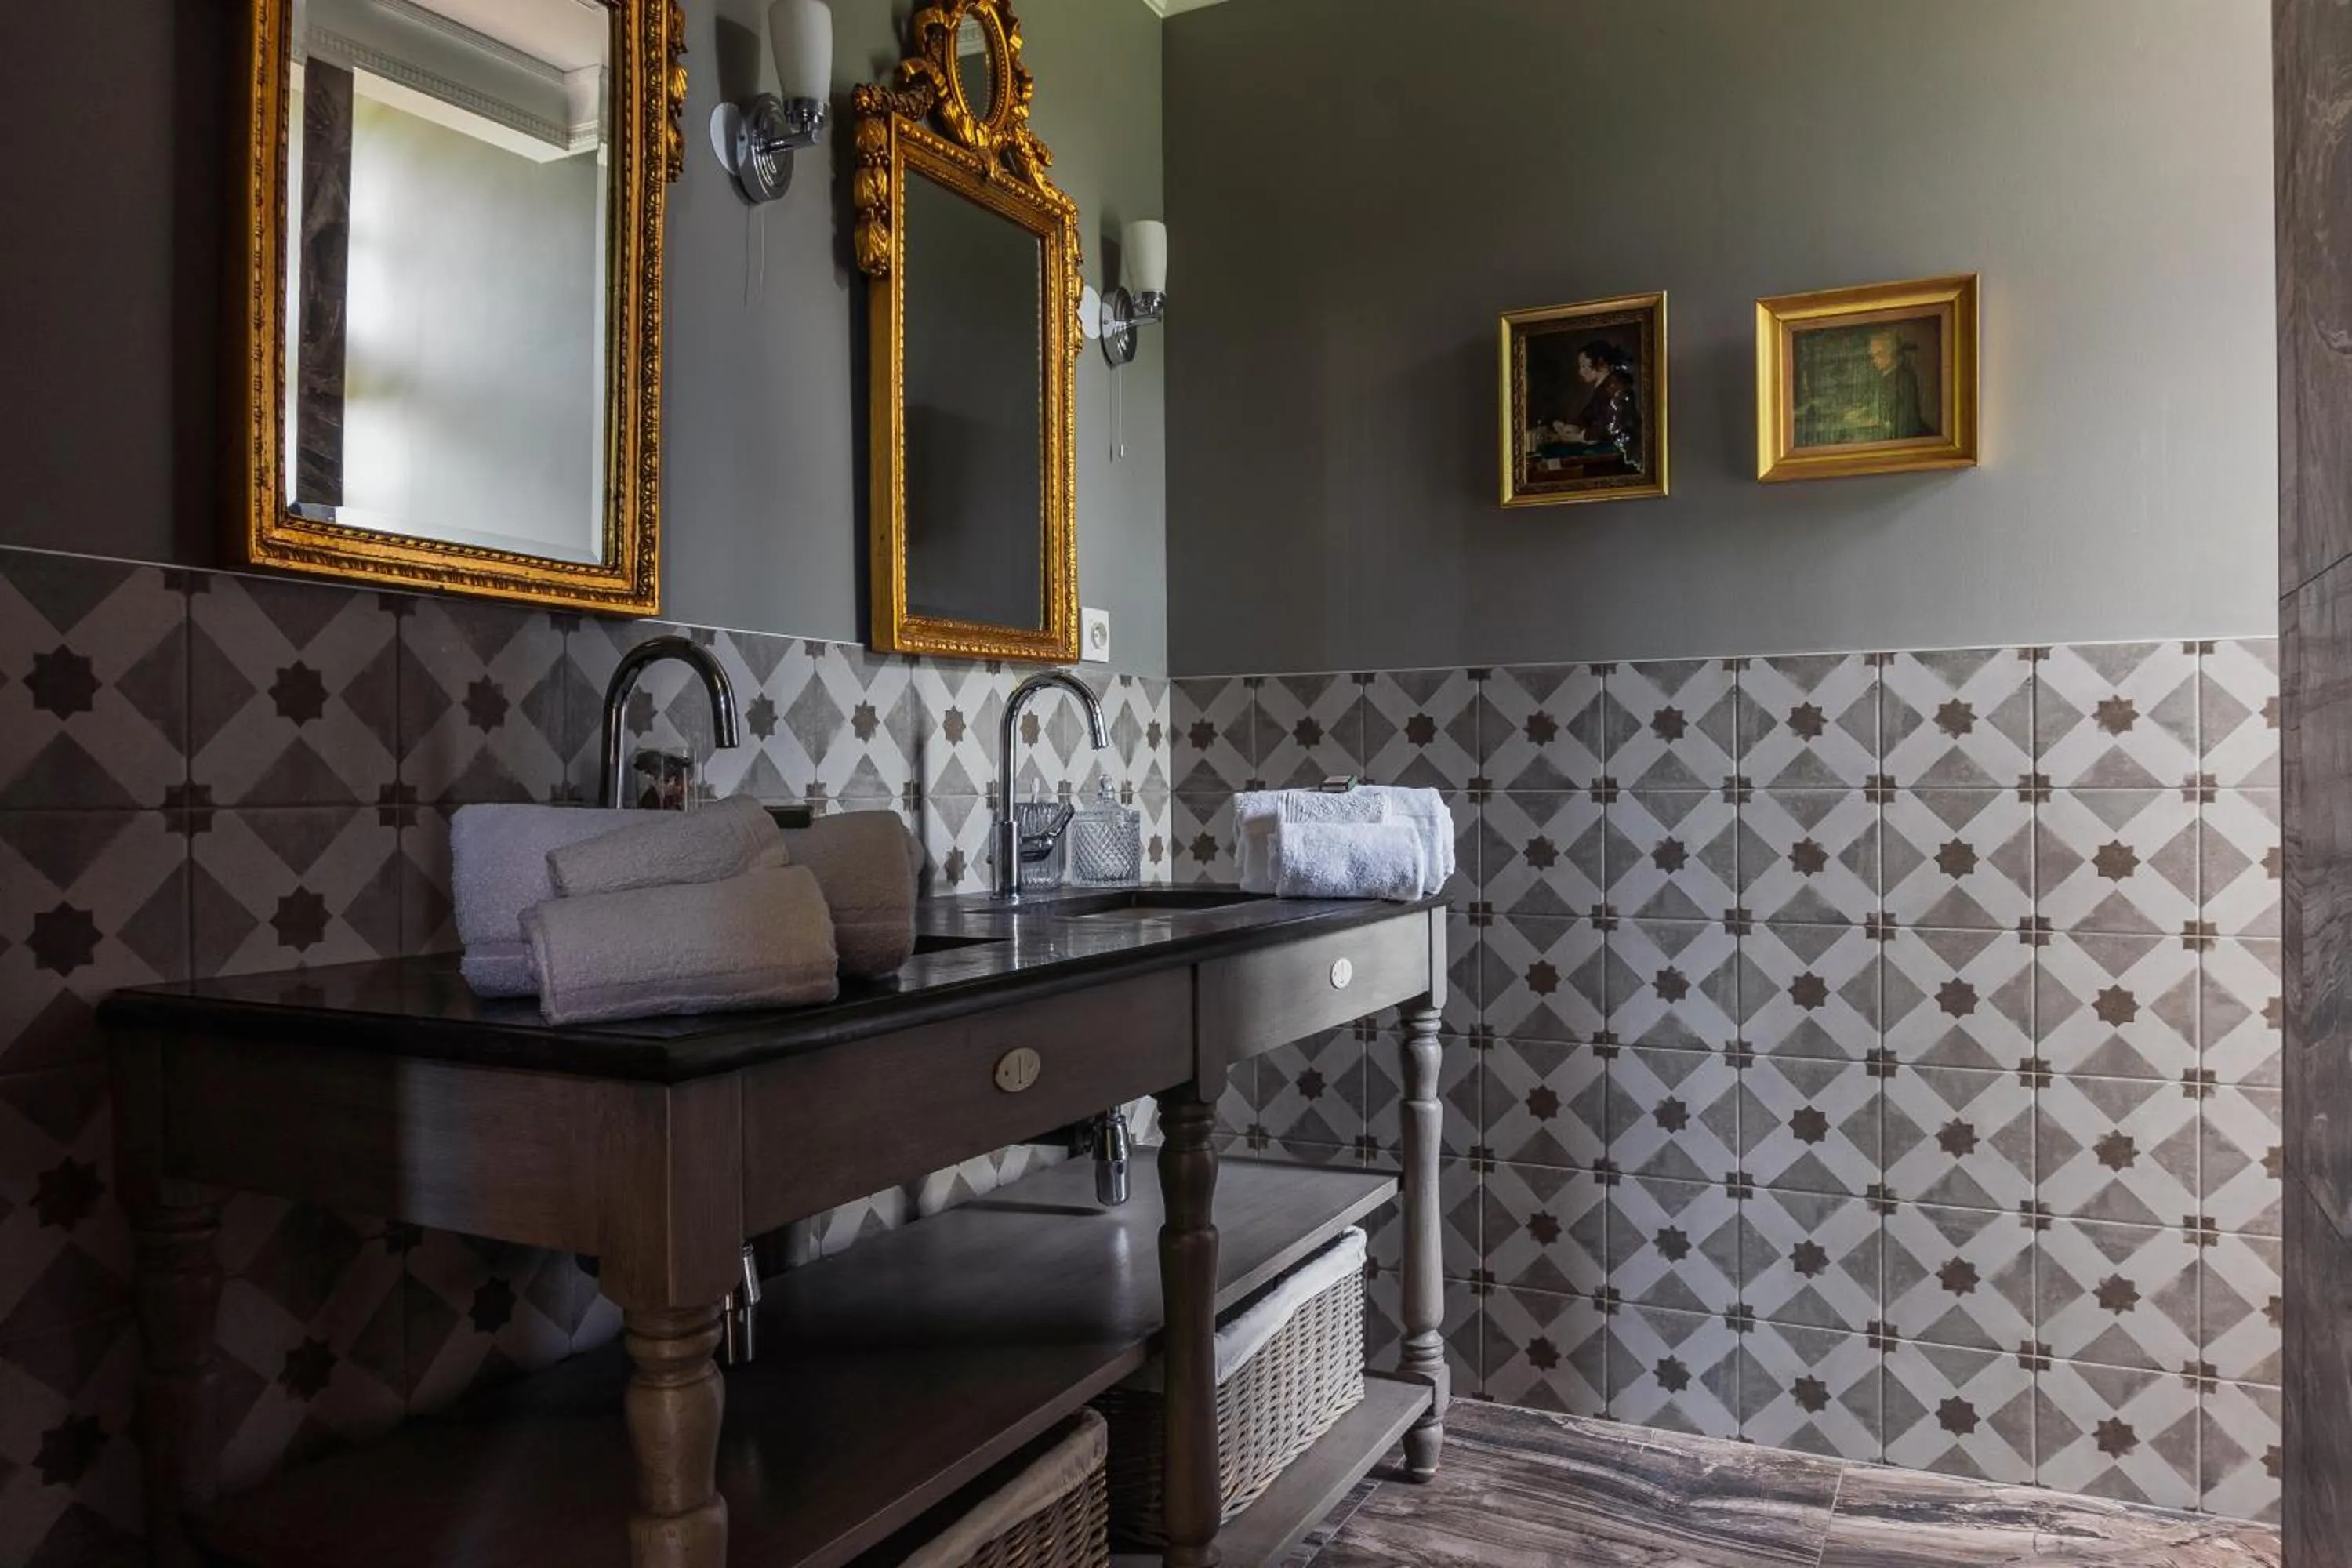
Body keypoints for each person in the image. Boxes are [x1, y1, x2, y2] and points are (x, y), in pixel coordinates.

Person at [1530, 340, 1642, 470]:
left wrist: (1580, 436)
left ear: (1601, 364)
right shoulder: (1603, 388)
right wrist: (1571, 426)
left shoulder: (1616, 386)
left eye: (1584, 366)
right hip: (1609, 447)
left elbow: (1611, 427)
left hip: (1623, 450)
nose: (1580, 372)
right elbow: (1589, 413)